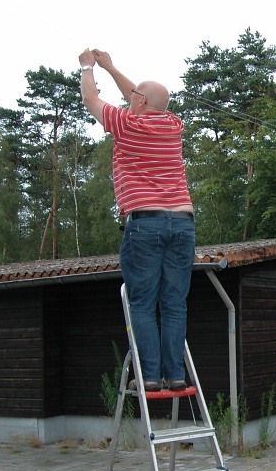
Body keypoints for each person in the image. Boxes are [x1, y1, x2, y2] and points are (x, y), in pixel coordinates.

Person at [79, 49, 195, 392]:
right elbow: (139, 95)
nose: (130, 99)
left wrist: (88, 66)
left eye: (135, 97)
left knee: (142, 301)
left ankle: (149, 377)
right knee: (174, 303)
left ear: (140, 102)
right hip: (183, 224)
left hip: (146, 224)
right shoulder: (173, 125)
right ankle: (174, 374)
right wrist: (111, 66)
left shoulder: (127, 124)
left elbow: (90, 98)